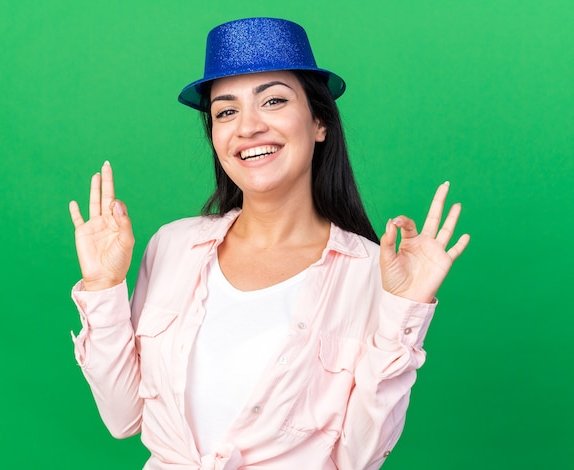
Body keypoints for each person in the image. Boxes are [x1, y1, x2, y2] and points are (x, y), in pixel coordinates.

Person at [68, 17, 470, 470]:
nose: (247, 127)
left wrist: (405, 311)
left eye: (273, 100)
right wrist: (103, 286)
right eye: (226, 111)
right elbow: (124, 418)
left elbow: (359, 457)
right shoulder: (172, 247)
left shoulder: (373, 272)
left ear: (320, 122)